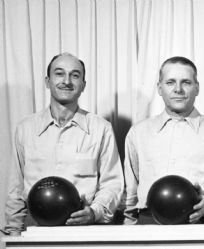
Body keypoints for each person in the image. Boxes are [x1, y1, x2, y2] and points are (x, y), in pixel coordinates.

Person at [4, 53, 124, 234]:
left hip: (85, 234)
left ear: (83, 85)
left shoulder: (101, 129)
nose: (67, 81)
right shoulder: (25, 129)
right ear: (47, 81)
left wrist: (94, 212)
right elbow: (16, 188)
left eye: (75, 75)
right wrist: (13, 235)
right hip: (36, 234)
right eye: (59, 74)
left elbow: (112, 184)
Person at [124, 56, 204, 224]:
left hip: (198, 223)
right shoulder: (138, 133)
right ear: (159, 88)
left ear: (197, 88)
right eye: (170, 82)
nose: (178, 89)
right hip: (149, 223)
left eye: (186, 82)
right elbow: (130, 193)